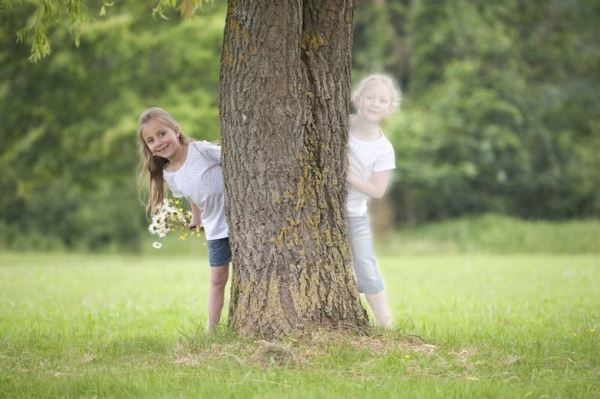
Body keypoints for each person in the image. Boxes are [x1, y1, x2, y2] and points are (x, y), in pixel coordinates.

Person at [137, 107, 230, 332]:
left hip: (242, 222)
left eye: (162, 133)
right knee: (217, 279)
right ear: (148, 148)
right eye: (150, 140)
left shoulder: (200, 150)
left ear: (176, 131)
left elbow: (234, 160)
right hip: (216, 228)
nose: (158, 142)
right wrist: (196, 218)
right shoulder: (169, 174)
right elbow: (193, 196)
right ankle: (212, 330)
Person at [346, 74, 401, 329]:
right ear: (358, 99)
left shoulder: (383, 149)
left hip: (354, 214)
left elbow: (377, 191)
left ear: (390, 108)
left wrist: (348, 177)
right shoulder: (342, 126)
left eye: (382, 100)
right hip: (323, 213)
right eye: (370, 97)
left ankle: (386, 323)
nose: (375, 103)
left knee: (366, 267)